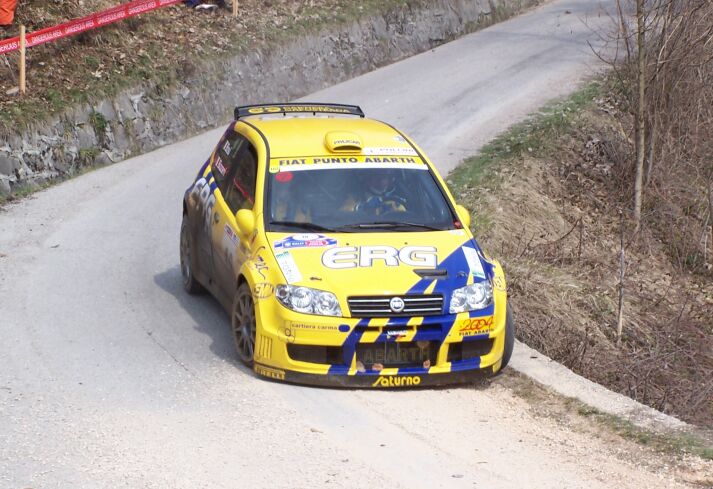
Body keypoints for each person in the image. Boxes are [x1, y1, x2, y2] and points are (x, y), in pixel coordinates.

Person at [343, 170, 407, 216]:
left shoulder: (396, 201)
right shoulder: (355, 198)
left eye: (384, 177)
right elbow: (344, 215)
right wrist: (362, 207)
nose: (380, 180)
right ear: (368, 179)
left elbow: (405, 219)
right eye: (376, 176)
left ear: (390, 180)